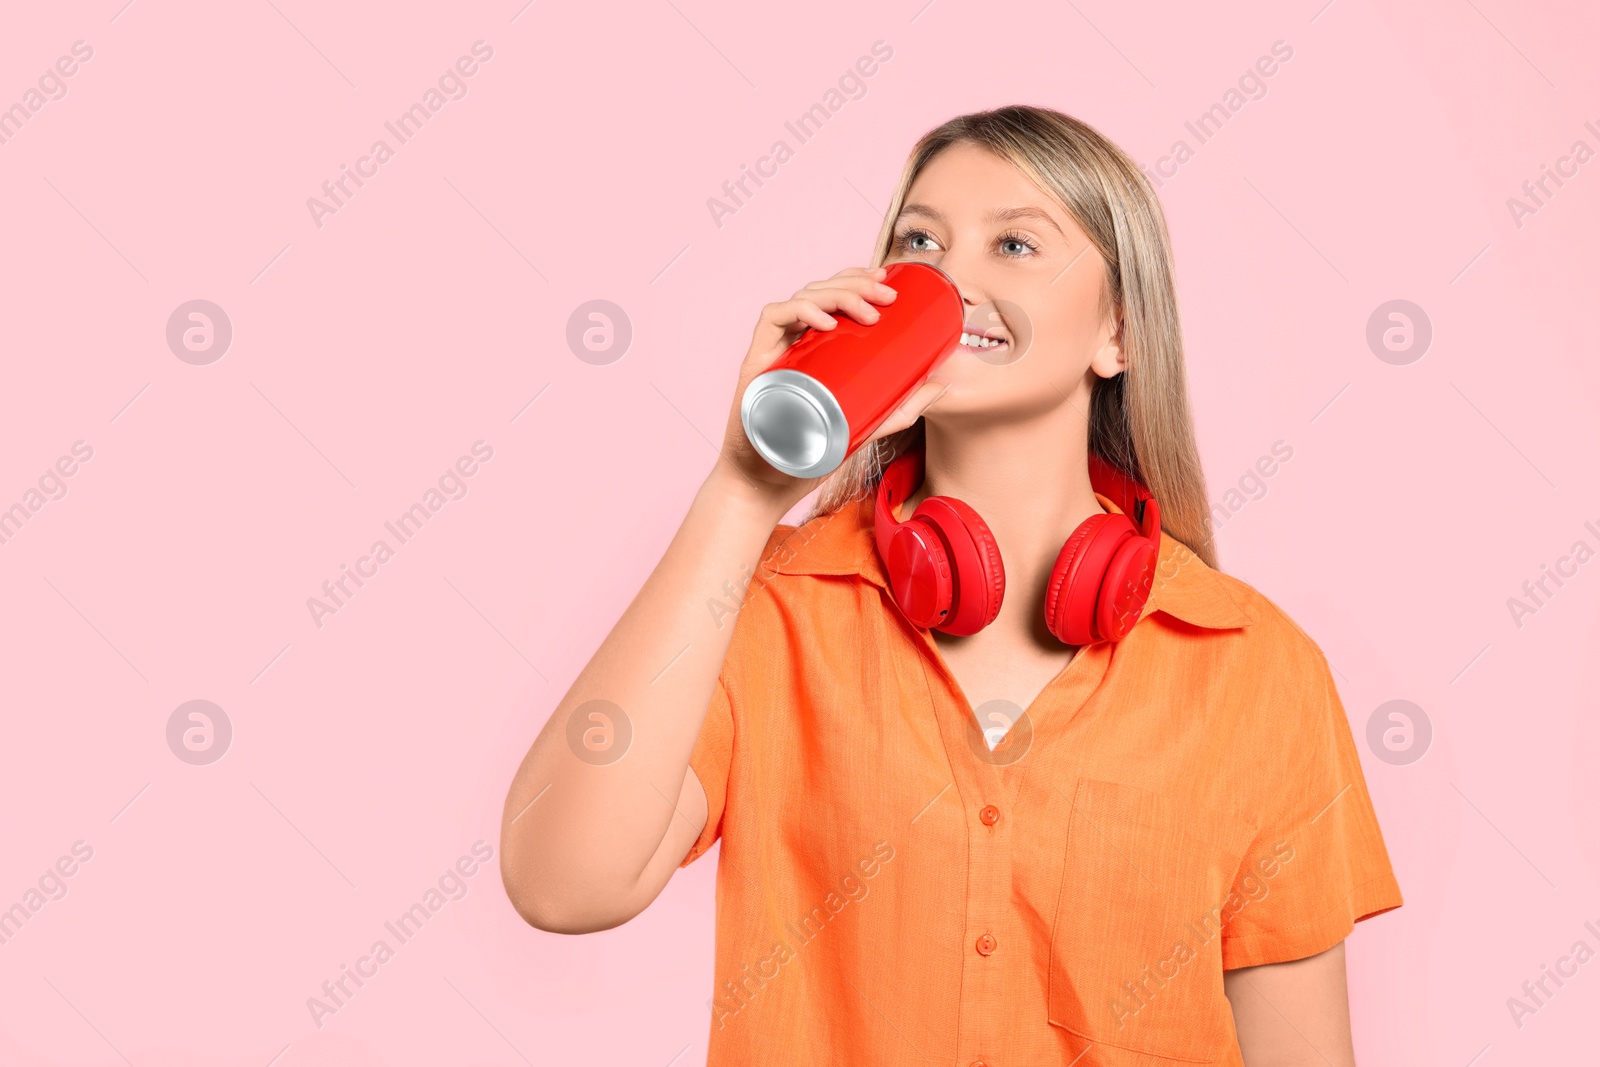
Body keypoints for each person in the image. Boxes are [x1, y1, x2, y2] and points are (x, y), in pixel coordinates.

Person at [499, 104, 1402, 1066]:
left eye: (1016, 243)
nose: (951, 276)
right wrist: (744, 488)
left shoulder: (1257, 668)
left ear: (1120, 335)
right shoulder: (768, 609)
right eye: (919, 241)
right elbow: (564, 883)